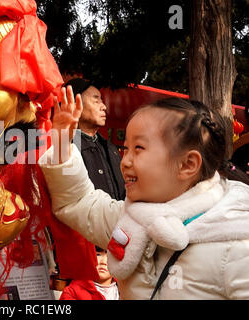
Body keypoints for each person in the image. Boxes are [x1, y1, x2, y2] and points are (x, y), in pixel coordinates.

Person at [39, 86, 249, 299]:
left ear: (187, 164)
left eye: (138, 148)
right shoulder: (129, 220)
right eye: (126, 148)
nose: (125, 161)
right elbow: (79, 201)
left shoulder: (237, 242)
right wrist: (62, 143)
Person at [64, 78, 125, 200]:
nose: (104, 107)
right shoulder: (65, 149)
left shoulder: (110, 148)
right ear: (75, 104)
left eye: (101, 101)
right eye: (96, 101)